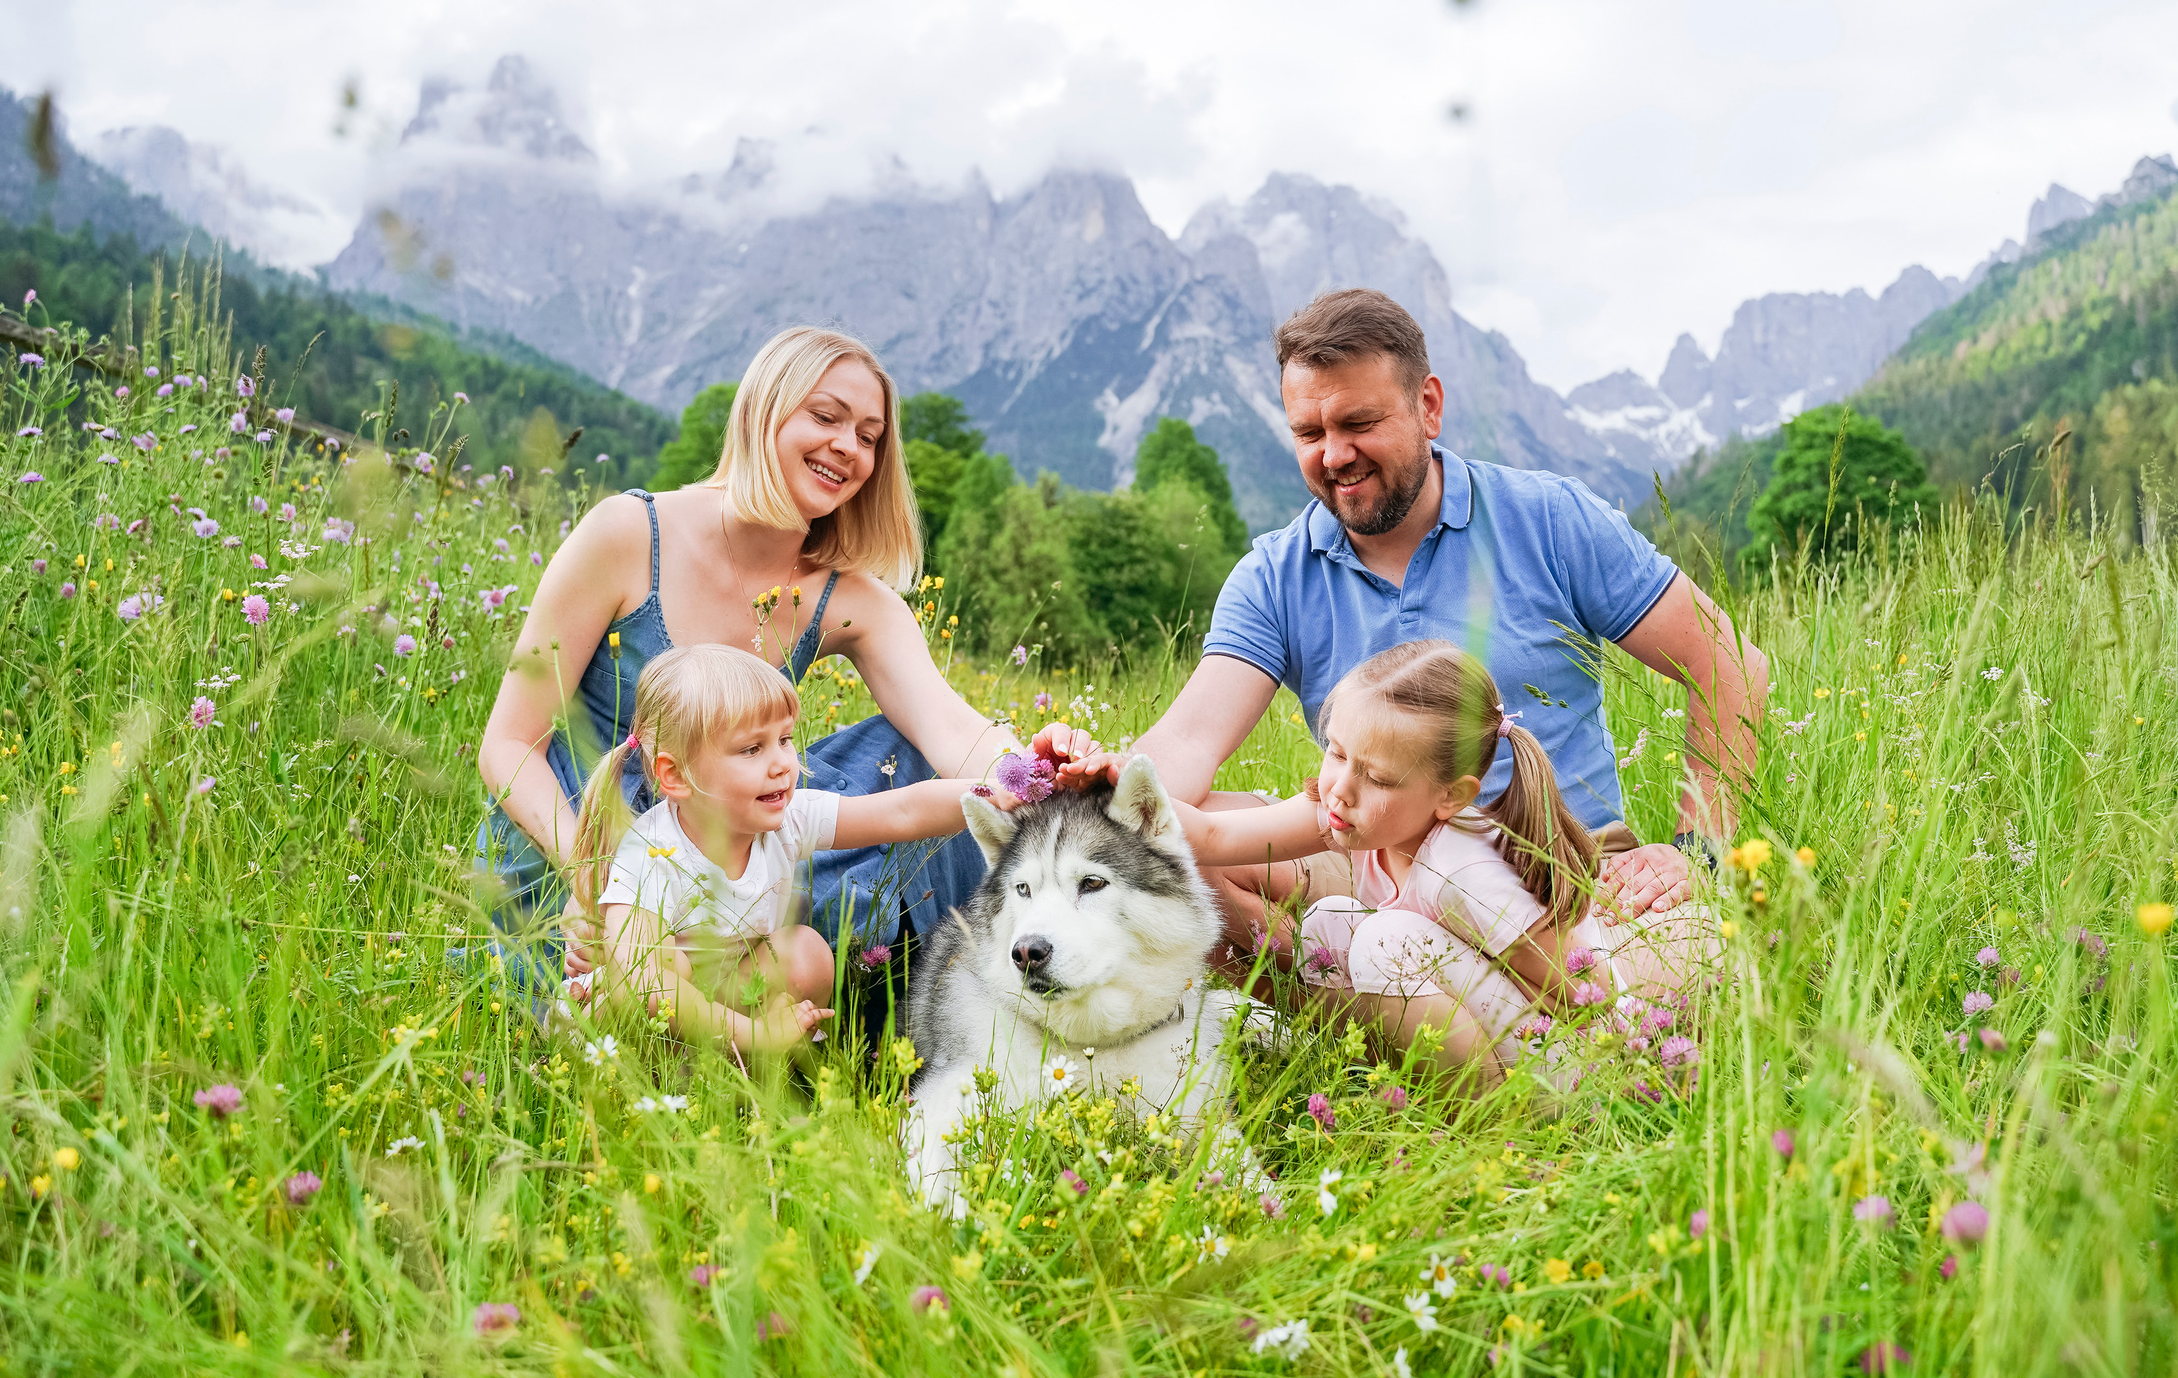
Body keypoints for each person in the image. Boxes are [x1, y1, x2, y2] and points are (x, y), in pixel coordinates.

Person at [1130, 289, 1767, 947]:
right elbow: (1183, 744)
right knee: (1171, 843)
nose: (1334, 454)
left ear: (1428, 406)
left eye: (1359, 423)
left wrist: (1699, 850)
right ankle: (1343, 1009)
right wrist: (1079, 784)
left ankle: (1420, 1003)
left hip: (1562, 874)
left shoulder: (1548, 518)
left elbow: (1729, 662)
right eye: (1310, 433)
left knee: (1693, 961)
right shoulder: (1273, 575)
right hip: (1377, 866)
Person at [474, 326, 1087, 985]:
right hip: (579, 852)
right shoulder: (629, 535)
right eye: (826, 416)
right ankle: (748, 989)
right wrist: (599, 880)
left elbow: (955, 732)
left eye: (870, 436)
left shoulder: (851, 598)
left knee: (915, 767)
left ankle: (962, 1000)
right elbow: (507, 744)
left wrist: (1040, 771)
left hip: (726, 849)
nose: (847, 447)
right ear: (762, 411)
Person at [1168, 639, 1715, 1084]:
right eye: (1336, 752)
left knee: (1384, 940)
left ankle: (1493, 1118)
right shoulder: (1358, 817)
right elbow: (1213, 835)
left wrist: (1636, 1075)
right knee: (1329, 923)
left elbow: (1586, 988)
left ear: (1449, 796)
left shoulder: (1463, 869)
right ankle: (1379, 1069)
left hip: (1567, 1054)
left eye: (1377, 777)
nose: (1340, 789)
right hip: (1491, 1019)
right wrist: (1109, 779)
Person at [566, 643, 1044, 1054]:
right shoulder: (653, 851)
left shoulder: (784, 820)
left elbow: (900, 813)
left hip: (728, 992)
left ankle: (741, 1077)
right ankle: (710, 1068)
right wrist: (756, 1033)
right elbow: (648, 987)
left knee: (806, 953)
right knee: (673, 965)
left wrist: (991, 792)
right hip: (642, 1020)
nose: (782, 765)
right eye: (752, 749)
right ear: (675, 775)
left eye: (785, 740)